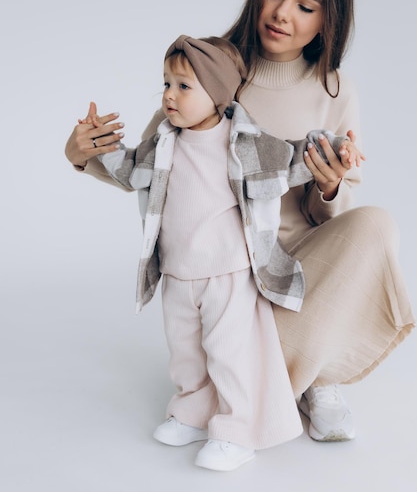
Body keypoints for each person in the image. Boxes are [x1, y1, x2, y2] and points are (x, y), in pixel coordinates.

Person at [65, 0, 415, 445]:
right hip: (228, 281)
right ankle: (271, 383)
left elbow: (337, 226)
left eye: (305, 4)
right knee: (229, 312)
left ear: (326, 19)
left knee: (376, 226)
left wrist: (331, 185)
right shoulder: (215, 66)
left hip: (294, 275)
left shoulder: (335, 89)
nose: (282, 12)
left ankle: (314, 376)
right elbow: (153, 161)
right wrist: (80, 156)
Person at [73, 34, 363, 471]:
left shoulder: (245, 140)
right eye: (166, 83)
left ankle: (238, 429)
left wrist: (337, 147)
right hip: (178, 270)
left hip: (229, 272)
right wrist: (99, 145)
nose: (170, 95)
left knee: (229, 353)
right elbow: (130, 170)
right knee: (186, 351)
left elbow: (295, 157)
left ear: (218, 94)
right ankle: (192, 411)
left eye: (184, 86)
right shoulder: (165, 142)